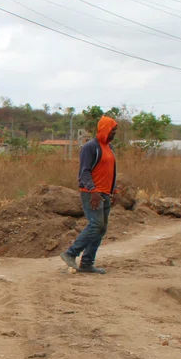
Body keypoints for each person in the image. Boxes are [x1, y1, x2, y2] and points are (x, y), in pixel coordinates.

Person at [60, 115, 118, 274]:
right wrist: (93, 191)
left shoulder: (109, 148)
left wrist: (115, 190)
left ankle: (87, 263)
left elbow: (110, 171)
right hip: (92, 194)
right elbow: (84, 172)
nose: (114, 134)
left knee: (101, 229)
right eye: (113, 130)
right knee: (96, 225)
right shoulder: (90, 147)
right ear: (105, 129)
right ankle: (70, 253)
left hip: (105, 194)